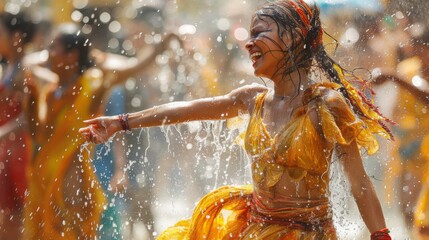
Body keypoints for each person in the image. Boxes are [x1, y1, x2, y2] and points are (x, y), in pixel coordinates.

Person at [79, 1, 393, 239]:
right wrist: (122, 122)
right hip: (254, 228)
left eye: (260, 33)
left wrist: (381, 236)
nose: (249, 42)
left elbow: (360, 184)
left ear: (295, 36)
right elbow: (185, 110)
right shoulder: (251, 99)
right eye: (250, 34)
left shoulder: (325, 105)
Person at [24, 23, 176, 239]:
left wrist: (159, 46)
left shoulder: (92, 85)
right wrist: (30, 100)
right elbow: (39, 135)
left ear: (72, 56)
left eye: (53, 48)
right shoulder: (50, 92)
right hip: (43, 182)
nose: (48, 55)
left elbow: (131, 69)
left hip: (73, 184)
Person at [375, 29, 429, 238]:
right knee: (407, 207)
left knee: (425, 218)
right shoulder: (408, 69)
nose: (421, 53)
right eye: (418, 48)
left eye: (425, 48)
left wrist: (393, 77)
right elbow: (396, 107)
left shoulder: (400, 75)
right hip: (411, 147)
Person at [0, 11, 36, 239]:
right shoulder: (9, 67)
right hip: (7, 151)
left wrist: (3, 132)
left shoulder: (27, 68)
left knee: (22, 214)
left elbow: (30, 116)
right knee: (7, 215)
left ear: (17, 37)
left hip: (22, 151)